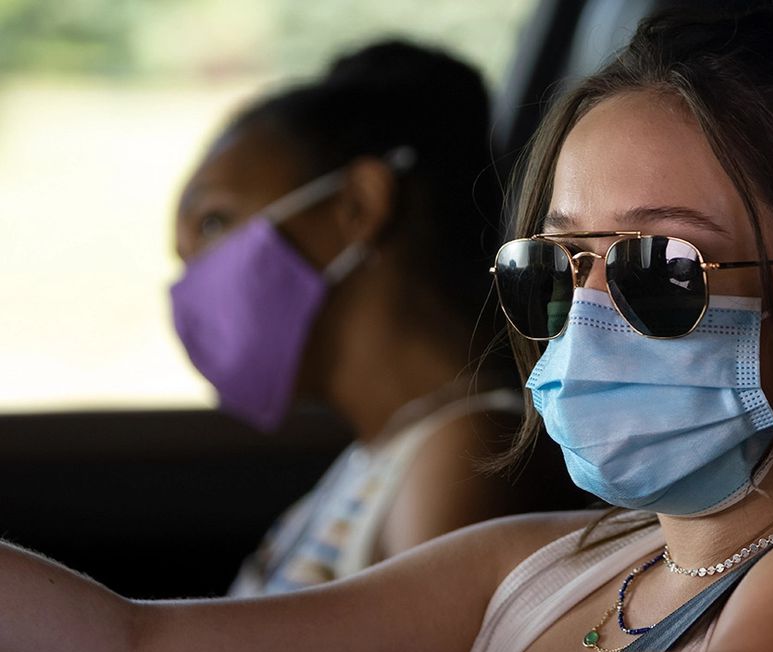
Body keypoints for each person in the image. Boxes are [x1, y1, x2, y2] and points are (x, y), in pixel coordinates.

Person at [0, 6, 773, 652]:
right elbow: (136, 649)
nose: (593, 312)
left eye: (662, 266)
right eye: (560, 265)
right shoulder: (548, 563)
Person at [170, 39, 585, 594]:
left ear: (359, 206)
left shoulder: (461, 456)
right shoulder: (379, 452)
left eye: (214, 224)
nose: (193, 279)